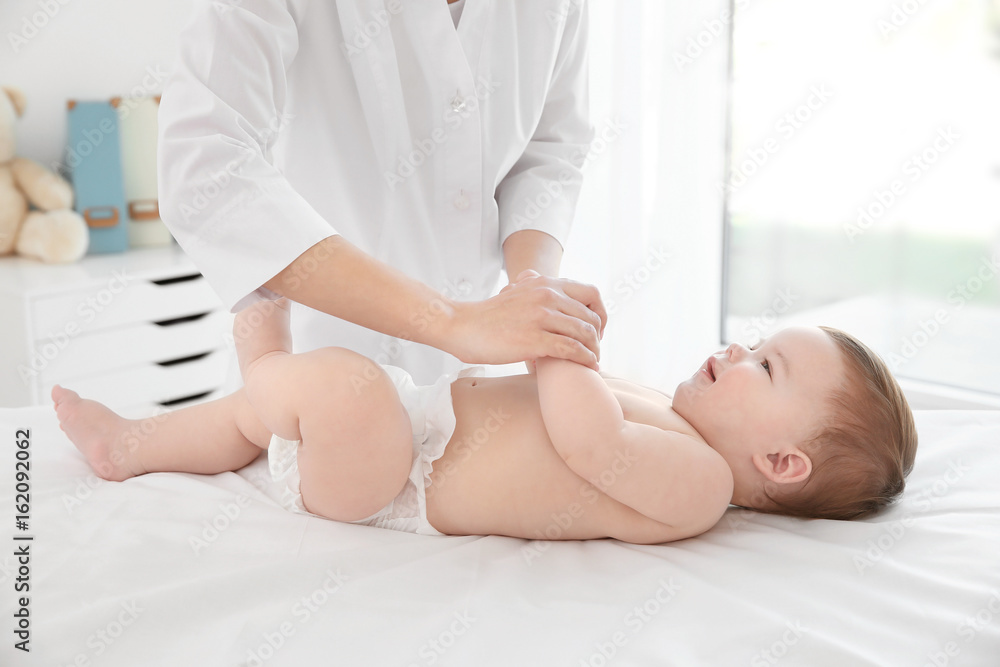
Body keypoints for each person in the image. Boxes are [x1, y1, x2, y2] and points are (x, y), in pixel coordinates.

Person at [52, 278, 918, 544]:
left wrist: (554, 343)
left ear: (782, 464)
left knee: (344, 388)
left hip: (396, 486)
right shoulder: (676, 410)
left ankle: (259, 361)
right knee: (299, 406)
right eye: (755, 340)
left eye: (765, 364)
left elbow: (591, 444)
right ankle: (134, 441)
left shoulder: (695, 486)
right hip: (415, 425)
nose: (735, 350)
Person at [157, 0, 605, 385]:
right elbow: (204, 168)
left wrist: (534, 290)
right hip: (318, 378)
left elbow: (548, 151)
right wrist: (452, 322)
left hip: (466, 389)